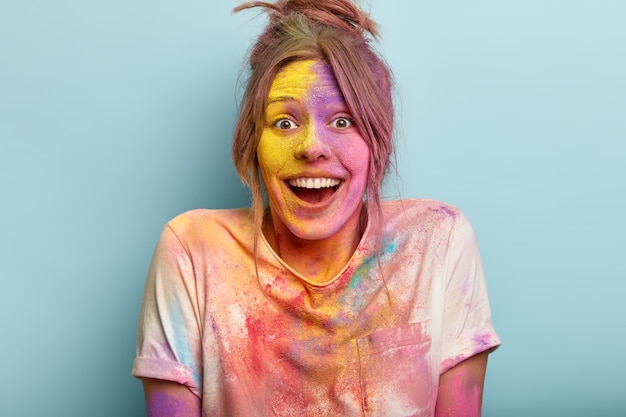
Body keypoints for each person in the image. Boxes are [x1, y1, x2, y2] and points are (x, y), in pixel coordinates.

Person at [132, 0, 501, 416]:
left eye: (343, 121)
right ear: (253, 141)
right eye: (284, 122)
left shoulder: (437, 241)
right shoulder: (193, 251)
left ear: (376, 142)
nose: (311, 147)